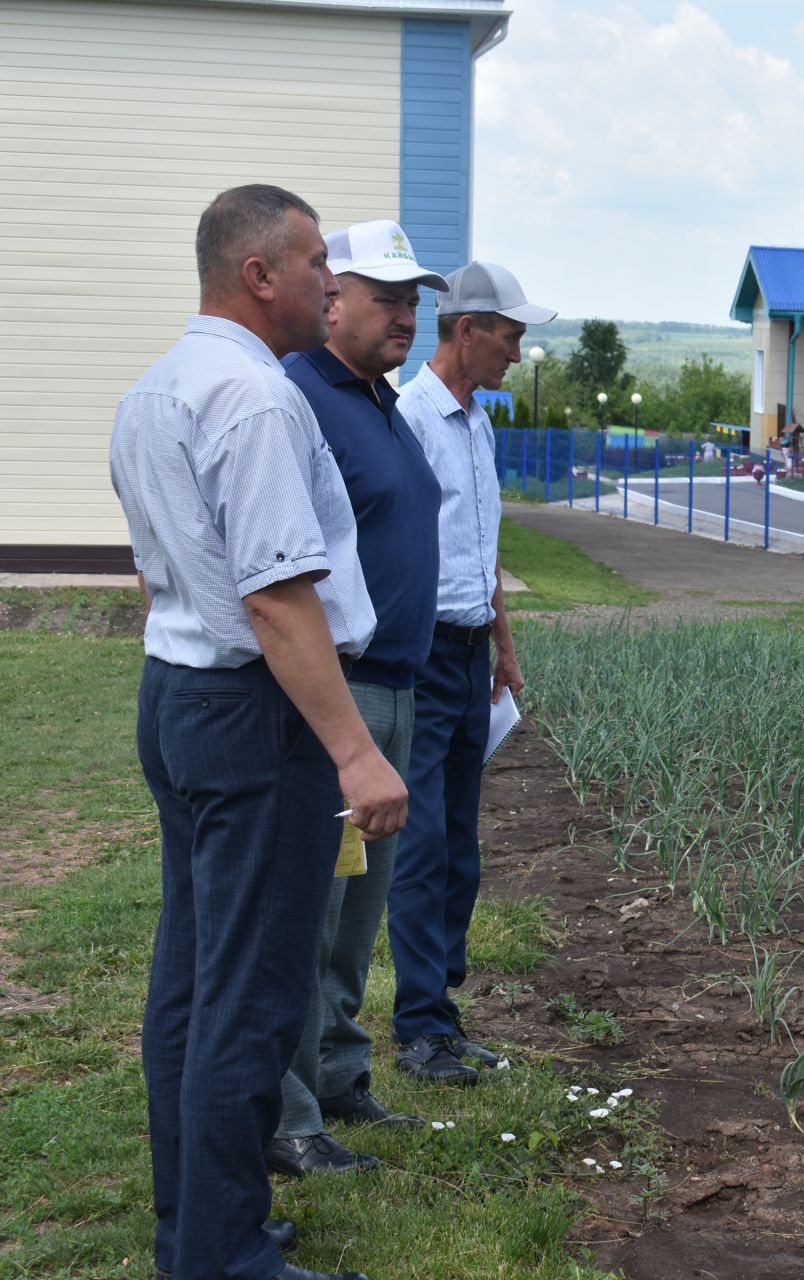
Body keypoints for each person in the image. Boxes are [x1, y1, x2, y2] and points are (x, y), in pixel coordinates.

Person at [109, 184, 404, 1280]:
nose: (334, 280)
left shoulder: (155, 388)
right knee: (251, 990)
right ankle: (224, 1253)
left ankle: (195, 1229)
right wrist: (355, 748)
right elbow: (280, 599)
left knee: (190, 981)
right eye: (317, 259)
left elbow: (160, 570)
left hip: (178, 694)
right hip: (253, 713)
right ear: (259, 275)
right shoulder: (258, 400)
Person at [269, 220, 449, 1176]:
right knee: (314, 910)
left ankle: (338, 1077)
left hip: (399, 689)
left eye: (414, 299)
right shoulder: (300, 399)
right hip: (342, 697)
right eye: (386, 297)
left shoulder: (377, 402)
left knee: (356, 917)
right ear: (329, 298)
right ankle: (289, 1113)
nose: (405, 316)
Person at [389, 262, 550, 1084]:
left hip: (470, 655)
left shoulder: (477, 426)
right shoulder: (410, 420)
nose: (518, 353)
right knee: (418, 846)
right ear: (468, 330)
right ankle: (418, 1027)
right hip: (419, 655)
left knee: (459, 846)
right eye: (512, 335)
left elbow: (482, 554)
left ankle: (439, 1012)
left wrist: (505, 645)